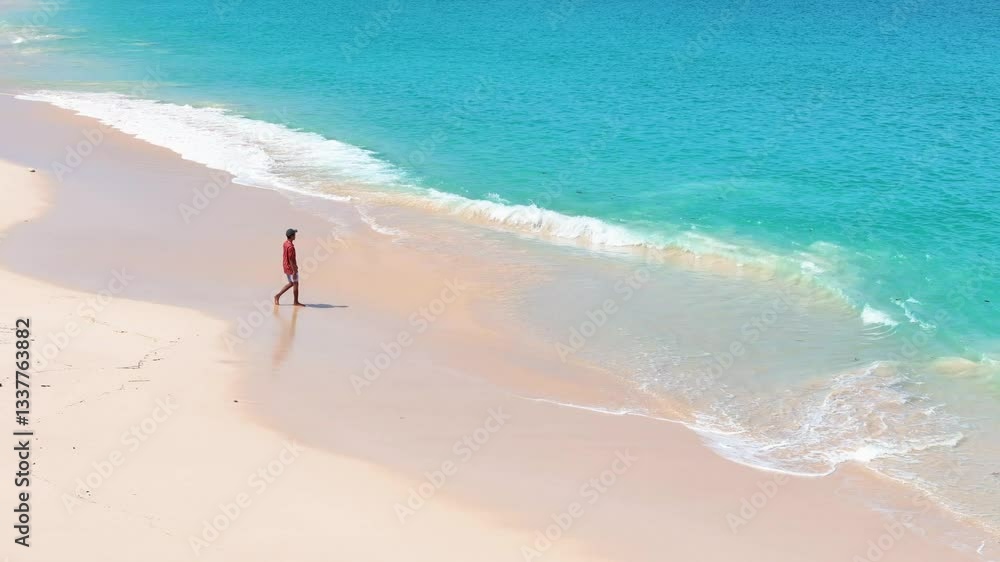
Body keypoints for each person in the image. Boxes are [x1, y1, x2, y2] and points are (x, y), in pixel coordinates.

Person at [274, 228, 304, 306]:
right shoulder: (291, 247)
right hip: (291, 268)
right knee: (296, 283)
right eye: (294, 234)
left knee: (291, 283)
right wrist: (294, 271)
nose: (295, 236)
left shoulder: (285, 243)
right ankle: (296, 302)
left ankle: (277, 296)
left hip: (285, 265)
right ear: (291, 236)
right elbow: (291, 259)